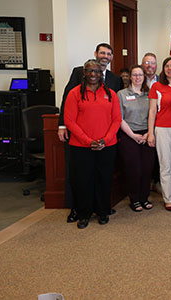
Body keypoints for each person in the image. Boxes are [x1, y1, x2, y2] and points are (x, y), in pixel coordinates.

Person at [58, 42, 123, 223]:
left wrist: (105, 139)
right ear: (84, 73)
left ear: (101, 74)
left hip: (106, 145)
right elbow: (70, 121)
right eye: (89, 71)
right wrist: (88, 141)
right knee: (83, 181)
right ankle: (83, 214)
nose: (93, 74)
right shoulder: (74, 93)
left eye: (96, 71)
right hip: (81, 146)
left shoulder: (110, 93)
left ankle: (102, 212)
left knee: (103, 180)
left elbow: (117, 119)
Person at [147, 57, 171, 211]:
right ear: (163, 69)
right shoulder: (156, 86)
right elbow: (152, 111)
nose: (170, 68)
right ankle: (167, 198)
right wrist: (150, 133)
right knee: (165, 164)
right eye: (167, 66)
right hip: (162, 128)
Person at [116, 65, 156, 212]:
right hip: (128, 134)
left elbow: (154, 114)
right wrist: (132, 135)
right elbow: (119, 118)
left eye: (140, 75)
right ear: (130, 77)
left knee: (147, 168)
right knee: (134, 169)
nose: (138, 77)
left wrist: (148, 133)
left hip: (147, 134)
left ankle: (144, 198)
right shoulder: (121, 94)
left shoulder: (150, 93)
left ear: (144, 77)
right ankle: (134, 199)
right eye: (135, 75)